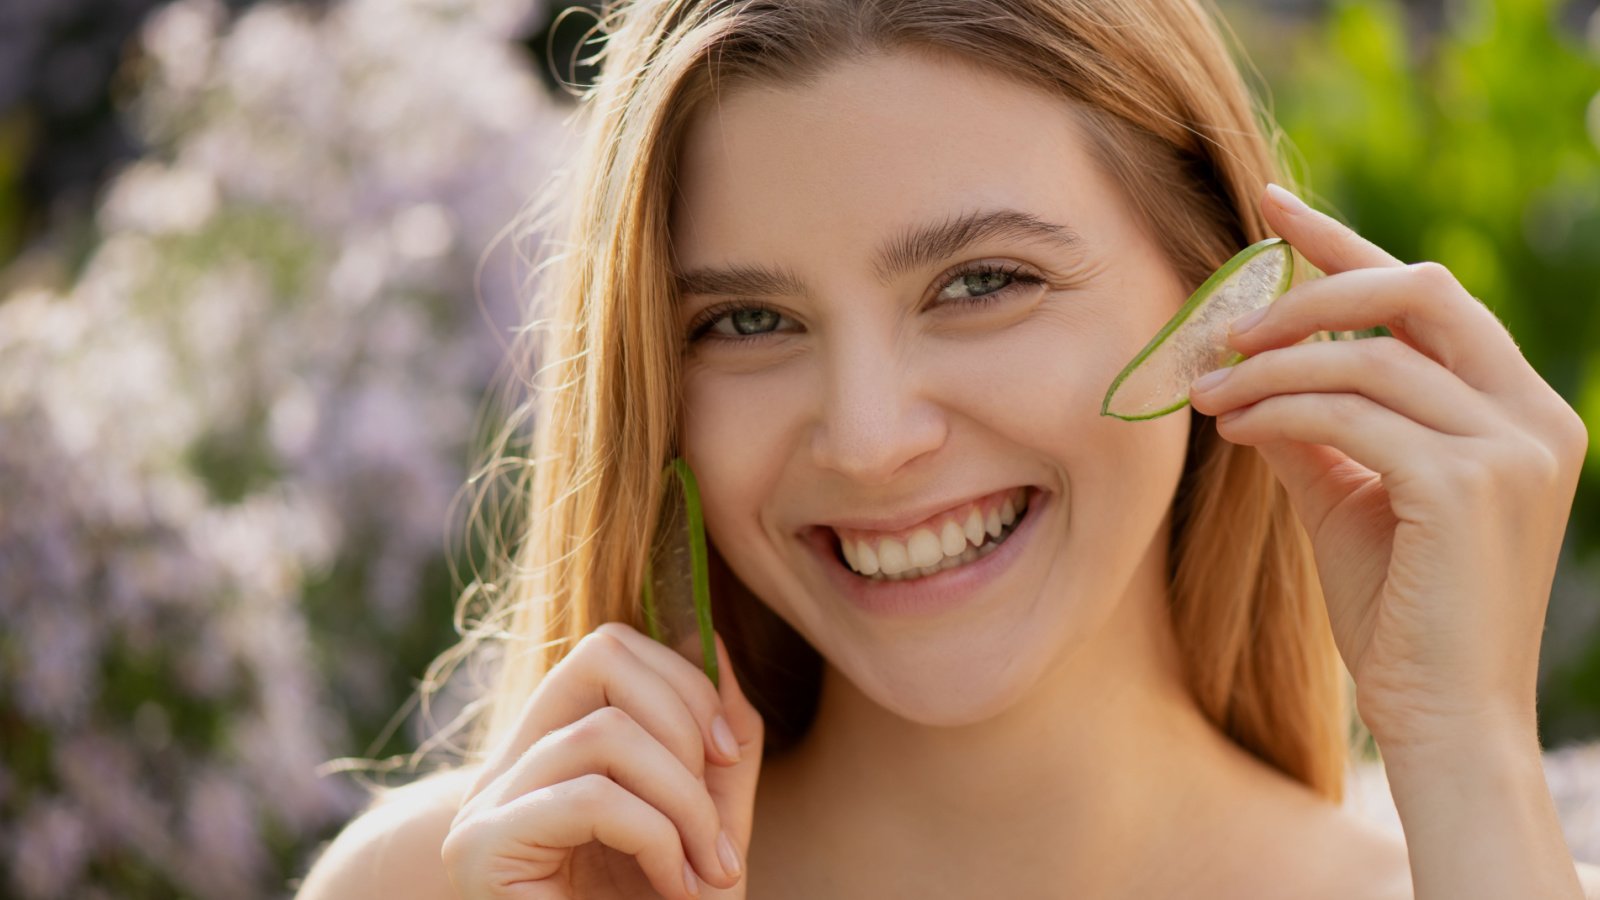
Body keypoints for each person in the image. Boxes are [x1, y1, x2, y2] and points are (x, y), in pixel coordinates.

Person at [296, 0, 1600, 897]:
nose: (868, 440)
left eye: (983, 283)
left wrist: (1466, 742)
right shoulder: (445, 885)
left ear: (1224, 299)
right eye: (747, 320)